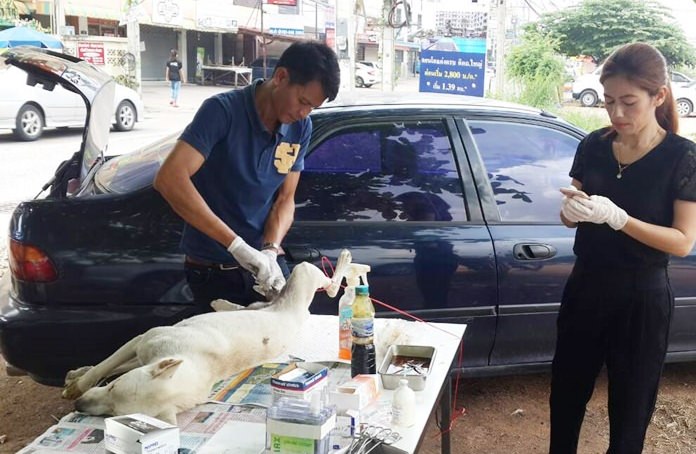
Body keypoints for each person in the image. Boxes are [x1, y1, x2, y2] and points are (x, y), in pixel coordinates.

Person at [551, 42, 696, 453]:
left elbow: (683, 242)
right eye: (609, 101)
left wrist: (620, 219)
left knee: (630, 410)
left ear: (659, 96)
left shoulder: (682, 158)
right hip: (586, 287)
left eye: (629, 102)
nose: (617, 114)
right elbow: (569, 215)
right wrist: (572, 210)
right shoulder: (594, 145)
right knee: (565, 396)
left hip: (641, 297)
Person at [154, 41, 340, 312]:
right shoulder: (223, 112)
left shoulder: (301, 127)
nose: (304, 113)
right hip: (214, 269)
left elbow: (285, 199)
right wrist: (237, 246)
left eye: (312, 108)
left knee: (286, 342)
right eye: (302, 102)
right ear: (280, 77)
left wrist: (270, 249)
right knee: (226, 353)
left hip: (265, 268)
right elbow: (170, 178)